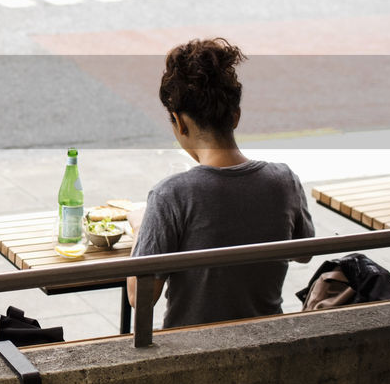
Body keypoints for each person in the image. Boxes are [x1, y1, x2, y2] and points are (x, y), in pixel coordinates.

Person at [127, 38, 314, 329]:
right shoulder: (283, 180)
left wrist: (142, 228)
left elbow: (139, 297)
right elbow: (304, 252)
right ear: (235, 116)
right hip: (269, 340)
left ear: (180, 122)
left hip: (194, 353)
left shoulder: (171, 195)